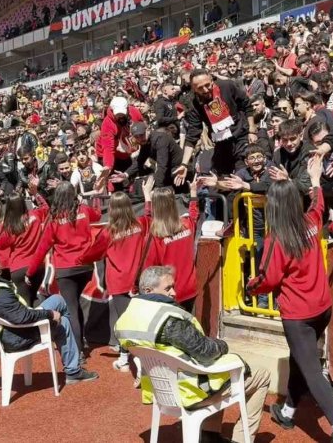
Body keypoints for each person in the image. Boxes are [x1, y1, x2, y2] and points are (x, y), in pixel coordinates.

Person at [248, 155, 333, 443]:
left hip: (298, 314)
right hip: (321, 308)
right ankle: (288, 410)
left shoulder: (275, 239)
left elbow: (267, 279)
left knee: (310, 369)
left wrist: (250, 287)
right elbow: (319, 204)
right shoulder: (310, 220)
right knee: (301, 358)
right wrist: (317, 180)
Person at [115, 266, 271, 443]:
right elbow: (205, 352)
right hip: (191, 392)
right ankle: (241, 440)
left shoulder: (126, 318)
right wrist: (223, 345)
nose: (174, 292)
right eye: (168, 288)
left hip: (160, 391)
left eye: (173, 287)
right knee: (261, 374)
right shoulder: (169, 319)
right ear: (148, 290)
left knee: (214, 368)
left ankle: (209, 435)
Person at [0, 249, 99, 385]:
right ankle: (74, 370)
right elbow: (22, 317)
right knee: (63, 323)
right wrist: (50, 315)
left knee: (58, 300)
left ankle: (73, 351)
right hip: (16, 336)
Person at [79, 181, 153, 369]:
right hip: (137, 280)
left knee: (123, 321)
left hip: (119, 283)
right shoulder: (139, 224)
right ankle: (138, 356)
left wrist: (78, 258)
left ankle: (124, 356)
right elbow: (149, 215)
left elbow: (92, 254)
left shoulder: (108, 232)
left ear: (112, 209)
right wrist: (147, 196)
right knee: (139, 320)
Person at [29, 182, 101, 360]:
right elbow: (97, 215)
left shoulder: (54, 218)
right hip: (85, 266)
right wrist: (92, 200)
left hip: (66, 268)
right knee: (75, 306)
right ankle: (81, 342)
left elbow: (42, 248)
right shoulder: (83, 209)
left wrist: (30, 272)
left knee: (71, 309)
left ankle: (77, 351)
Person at [175, 69, 257, 184]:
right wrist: (184, 164)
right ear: (193, 88)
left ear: (211, 79)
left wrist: (252, 131)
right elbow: (193, 134)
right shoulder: (192, 103)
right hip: (221, 142)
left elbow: (246, 105)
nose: (205, 90)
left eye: (207, 85)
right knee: (221, 180)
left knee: (242, 175)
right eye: (200, 88)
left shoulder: (227, 86)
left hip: (240, 135)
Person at [146, 178, 200, 313]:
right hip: (190, 287)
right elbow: (194, 215)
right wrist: (193, 192)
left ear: (155, 207)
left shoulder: (156, 235)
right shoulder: (186, 224)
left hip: (170, 292)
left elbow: (150, 267)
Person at [0, 193, 46, 306]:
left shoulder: (9, 226)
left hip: (19, 267)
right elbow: (45, 207)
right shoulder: (35, 215)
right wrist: (36, 193)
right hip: (38, 265)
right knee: (36, 299)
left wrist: (2, 224)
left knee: (24, 303)